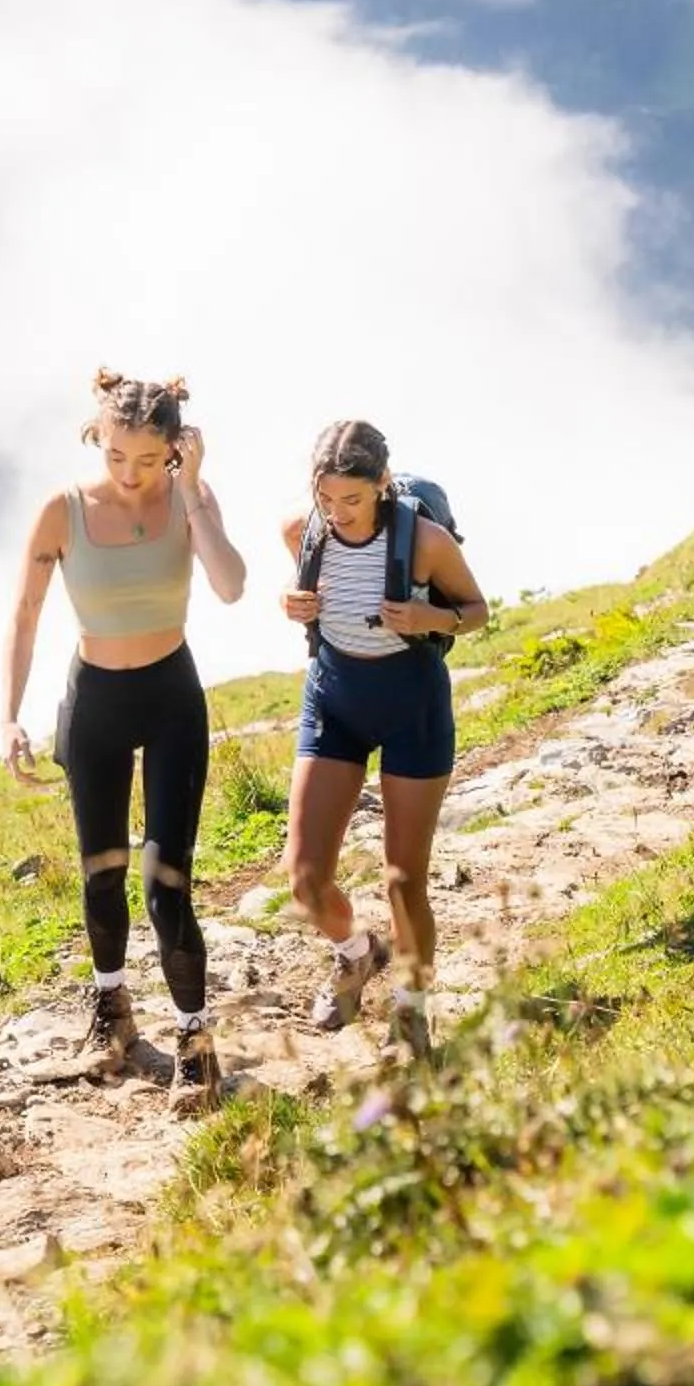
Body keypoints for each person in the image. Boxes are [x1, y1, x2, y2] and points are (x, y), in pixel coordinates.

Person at [2, 370, 247, 1112]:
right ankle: (112, 1012)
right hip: (96, 703)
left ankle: (197, 1048)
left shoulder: (187, 498)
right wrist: (9, 715)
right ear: (96, 437)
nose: (131, 473)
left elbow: (230, 585)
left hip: (171, 698)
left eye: (148, 459)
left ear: (176, 447)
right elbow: (25, 613)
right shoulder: (63, 512)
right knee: (100, 873)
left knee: (166, 884)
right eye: (116, 456)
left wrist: (193, 490)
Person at [280, 418, 487, 1054]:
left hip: (412, 708)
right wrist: (295, 603)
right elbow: (319, 599)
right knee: (304, 880)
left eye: (352, 498)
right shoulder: (302, 532)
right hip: (334, 702)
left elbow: (477, 611)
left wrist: (430, 617)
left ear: (382, 484)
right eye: (326, 498)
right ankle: (355, 953)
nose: (337, 512)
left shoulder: (424, 541)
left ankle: (410, 1012)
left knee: (403, 879)